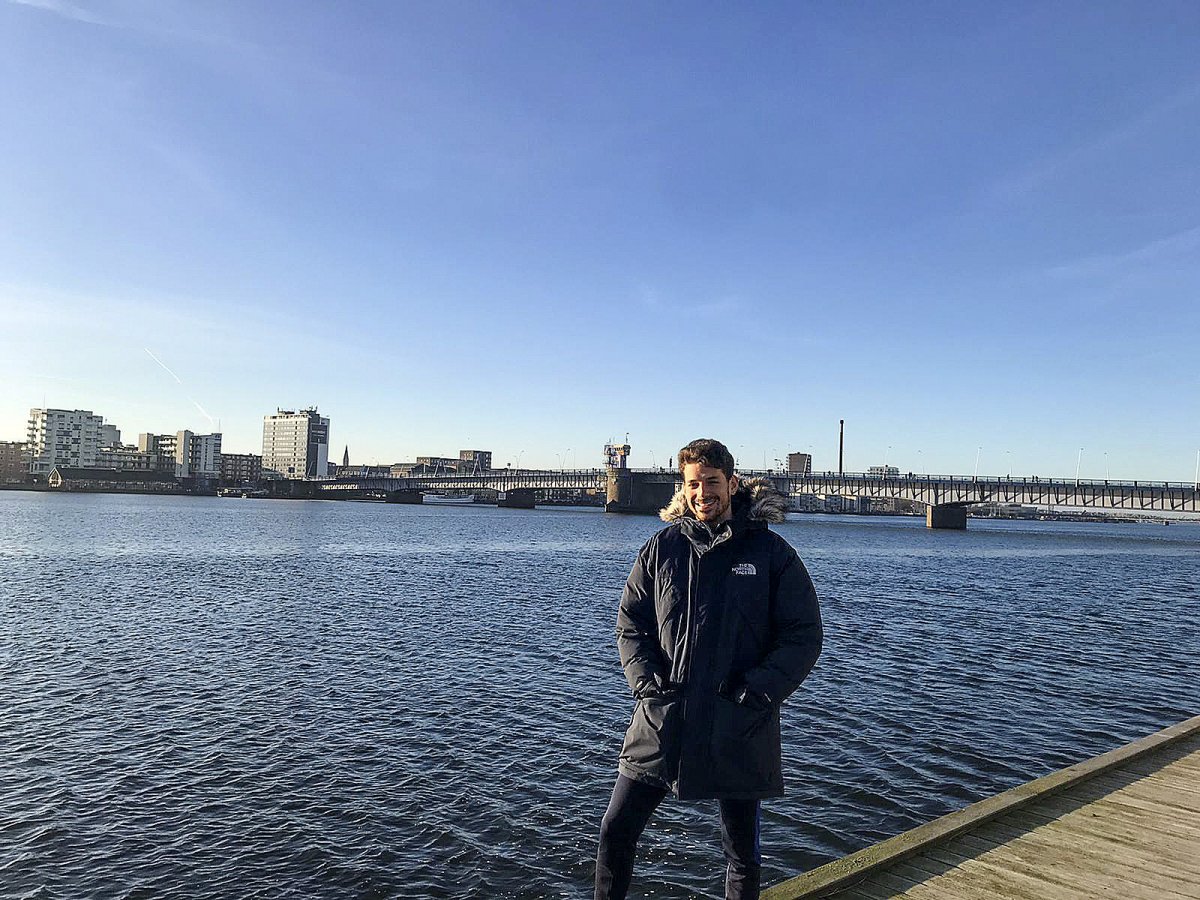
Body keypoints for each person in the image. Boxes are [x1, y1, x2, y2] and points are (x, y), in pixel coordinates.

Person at [594, 438, 823, 900]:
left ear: (732, 484)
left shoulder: (770, 552)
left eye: (712, 482)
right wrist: (645, 683)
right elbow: (631, 622)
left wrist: (758, 690)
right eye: (694, 484)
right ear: (684, 487)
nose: (703, 494)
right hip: (664, 716)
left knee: (741, 851)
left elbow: (803, 635)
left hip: (737, 719)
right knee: (616, 830)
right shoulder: (662, 548)